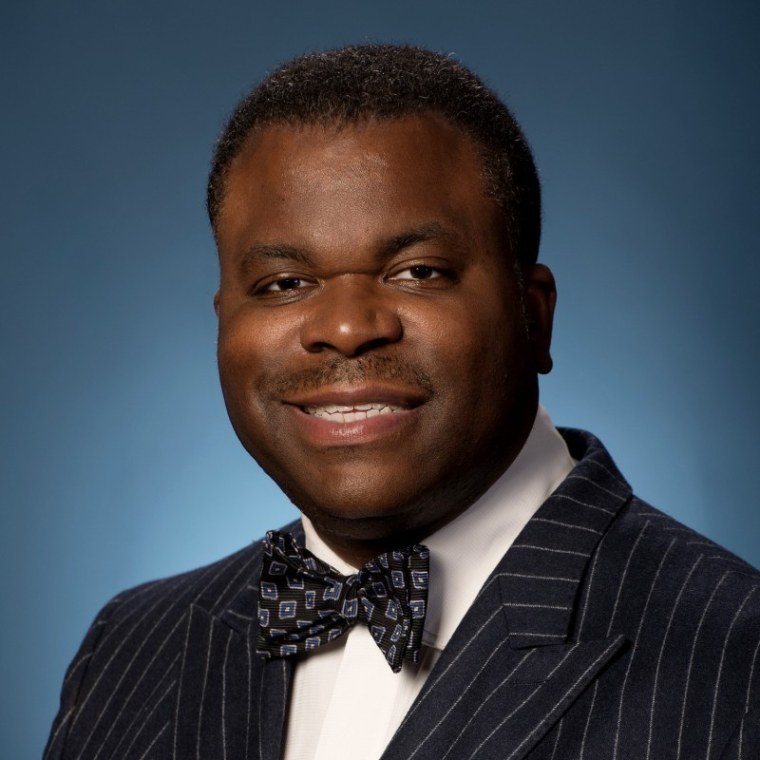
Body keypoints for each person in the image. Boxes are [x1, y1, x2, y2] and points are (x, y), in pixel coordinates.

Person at [44, 44, 760, 760]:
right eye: (284, 284)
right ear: (222, 321)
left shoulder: (738, 656)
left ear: (533, 315)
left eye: (418, 271)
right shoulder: (128, 649)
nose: (347, 328)